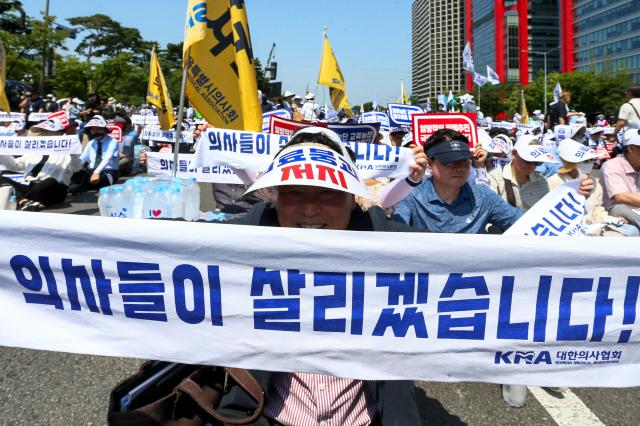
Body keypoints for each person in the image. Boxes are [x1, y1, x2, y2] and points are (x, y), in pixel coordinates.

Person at [217, 126, 422, 425]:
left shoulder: (376, 230)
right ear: (275, 196)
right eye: (295, 191)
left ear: (353, 197)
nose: (310, 209)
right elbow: (179, 240)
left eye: (327, 191)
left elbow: (459, 258)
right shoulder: (261, 223)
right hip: (265, 416)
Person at [390, 130, 524, 233]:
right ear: (430, 163)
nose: (459, 167)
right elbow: (391, 239)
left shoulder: (483, 197)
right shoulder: (411, 198)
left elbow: (526, 223)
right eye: (449, 161)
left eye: (464, 160)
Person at [0, 119, 82, 210]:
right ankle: (25, 201)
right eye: (41, 131)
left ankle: (23, 200)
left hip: (54, 189)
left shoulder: (68, 152)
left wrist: (73, 154)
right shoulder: (34, 151)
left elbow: (77, 168)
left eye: (47, 131)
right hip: (31, 186)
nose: (42, 134)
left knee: (50, 182)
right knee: (2, 179)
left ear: (59, 133)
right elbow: (15, 166)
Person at [600, 128, 640, 232]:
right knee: (619, 208)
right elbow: (620, 196)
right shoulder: (612, 165)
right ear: (631, 148)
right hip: (618, 209)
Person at [69, 115, 120, 193]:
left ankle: (87, 185)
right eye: (93, 129)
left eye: (98, 129)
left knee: (101, 182)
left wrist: (97, 172)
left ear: (104, 129)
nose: (95, 131)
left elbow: (108, 158)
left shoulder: (113, 141)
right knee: (74, 179)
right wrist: (71, 165)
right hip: (91, 171)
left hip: (107, 172)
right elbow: (82, 159)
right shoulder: (91, 143)